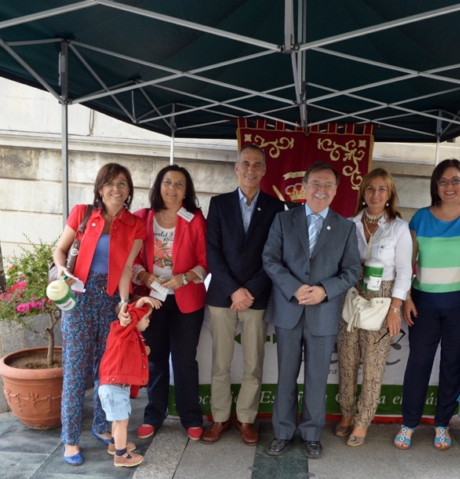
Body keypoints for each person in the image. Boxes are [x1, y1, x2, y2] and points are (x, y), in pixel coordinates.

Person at [262, 161, 362, 459]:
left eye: (328, 185)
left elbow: (352, 270)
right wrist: (294, 287)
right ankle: (281, 432)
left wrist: (324, 290)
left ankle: (311, 434)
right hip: (289, 309)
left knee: (317, 378)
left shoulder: (345, 227)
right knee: (286, 375)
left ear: (335, 191)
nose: (321, 190)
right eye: (315, 184)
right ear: (303, 187)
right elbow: (270, 259)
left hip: (324, 313)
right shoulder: (284, 220)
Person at [52, 162, 148, 466]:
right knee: (76, 370)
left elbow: (125, 269)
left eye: (122, 184)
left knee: (107, 370)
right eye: (110, 183)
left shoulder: (135, 224)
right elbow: (60, 249)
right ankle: (70, 439)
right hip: (78, 297)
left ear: (129, 190)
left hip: (108, 301)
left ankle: (101, 426)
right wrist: (64, 268)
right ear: (99, 188)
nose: (116, 189)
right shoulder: (82, 213)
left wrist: (122, 303)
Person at [395, 160, 460, 451]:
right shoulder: (420, 219)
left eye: (456, 180)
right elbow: (406, 264)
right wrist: (408, 297)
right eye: (443, 181)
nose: (449, 187)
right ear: (435, 186)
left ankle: (442, 424)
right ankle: (408, 424)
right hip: (423, 304)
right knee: (418, 364)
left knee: (454, 365)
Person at [203, 145, 284, 445]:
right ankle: (220, 418)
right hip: (223, 295)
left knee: (253, 364)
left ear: (264, 170)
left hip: (257, 297)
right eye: (245, 163)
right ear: (236, 168)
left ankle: (246, 419)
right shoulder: (219, 203)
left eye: (257, 164)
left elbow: (275, 255)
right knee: (220, 364)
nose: (251, 169)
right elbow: (213, 252)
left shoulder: (277, 208)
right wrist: (233, 290)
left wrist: (249, 291)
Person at [133, 165, 209, 441]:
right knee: (155, 358)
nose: (172, 188)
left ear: (186, 190)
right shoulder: (142, 217)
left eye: (179, 184)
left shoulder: (195, 219)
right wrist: (143, 274)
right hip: (152, 299)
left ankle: (191, 417)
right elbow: (132, 261)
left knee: (184, 360)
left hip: (186, 301)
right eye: (168, 182)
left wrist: (185, 278)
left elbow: (205, 262)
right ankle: (154, 414)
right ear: (158, 186)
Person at [336, 168, 411, 447]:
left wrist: (396, 308)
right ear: (363, 193)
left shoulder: (398, 228)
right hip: (353, 294)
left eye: (381, 189)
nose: (375, 194)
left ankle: (363, 420)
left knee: (373, 363)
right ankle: (346, 413)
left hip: (383, 297)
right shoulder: (349, 223)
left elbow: (404, 271)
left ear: (390, 194)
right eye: (370, 189)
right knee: (347, 358)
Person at [98, 303, 153, 468]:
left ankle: (115, 444)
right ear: (133, 319)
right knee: (122, 422)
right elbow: (132, 314)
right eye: (145, 317)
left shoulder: (131, 335)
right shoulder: (121, 331)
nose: (149, 321)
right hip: (114, 387)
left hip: (116, 386)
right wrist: (142, 300)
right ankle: (121, 455)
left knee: (118, 419)